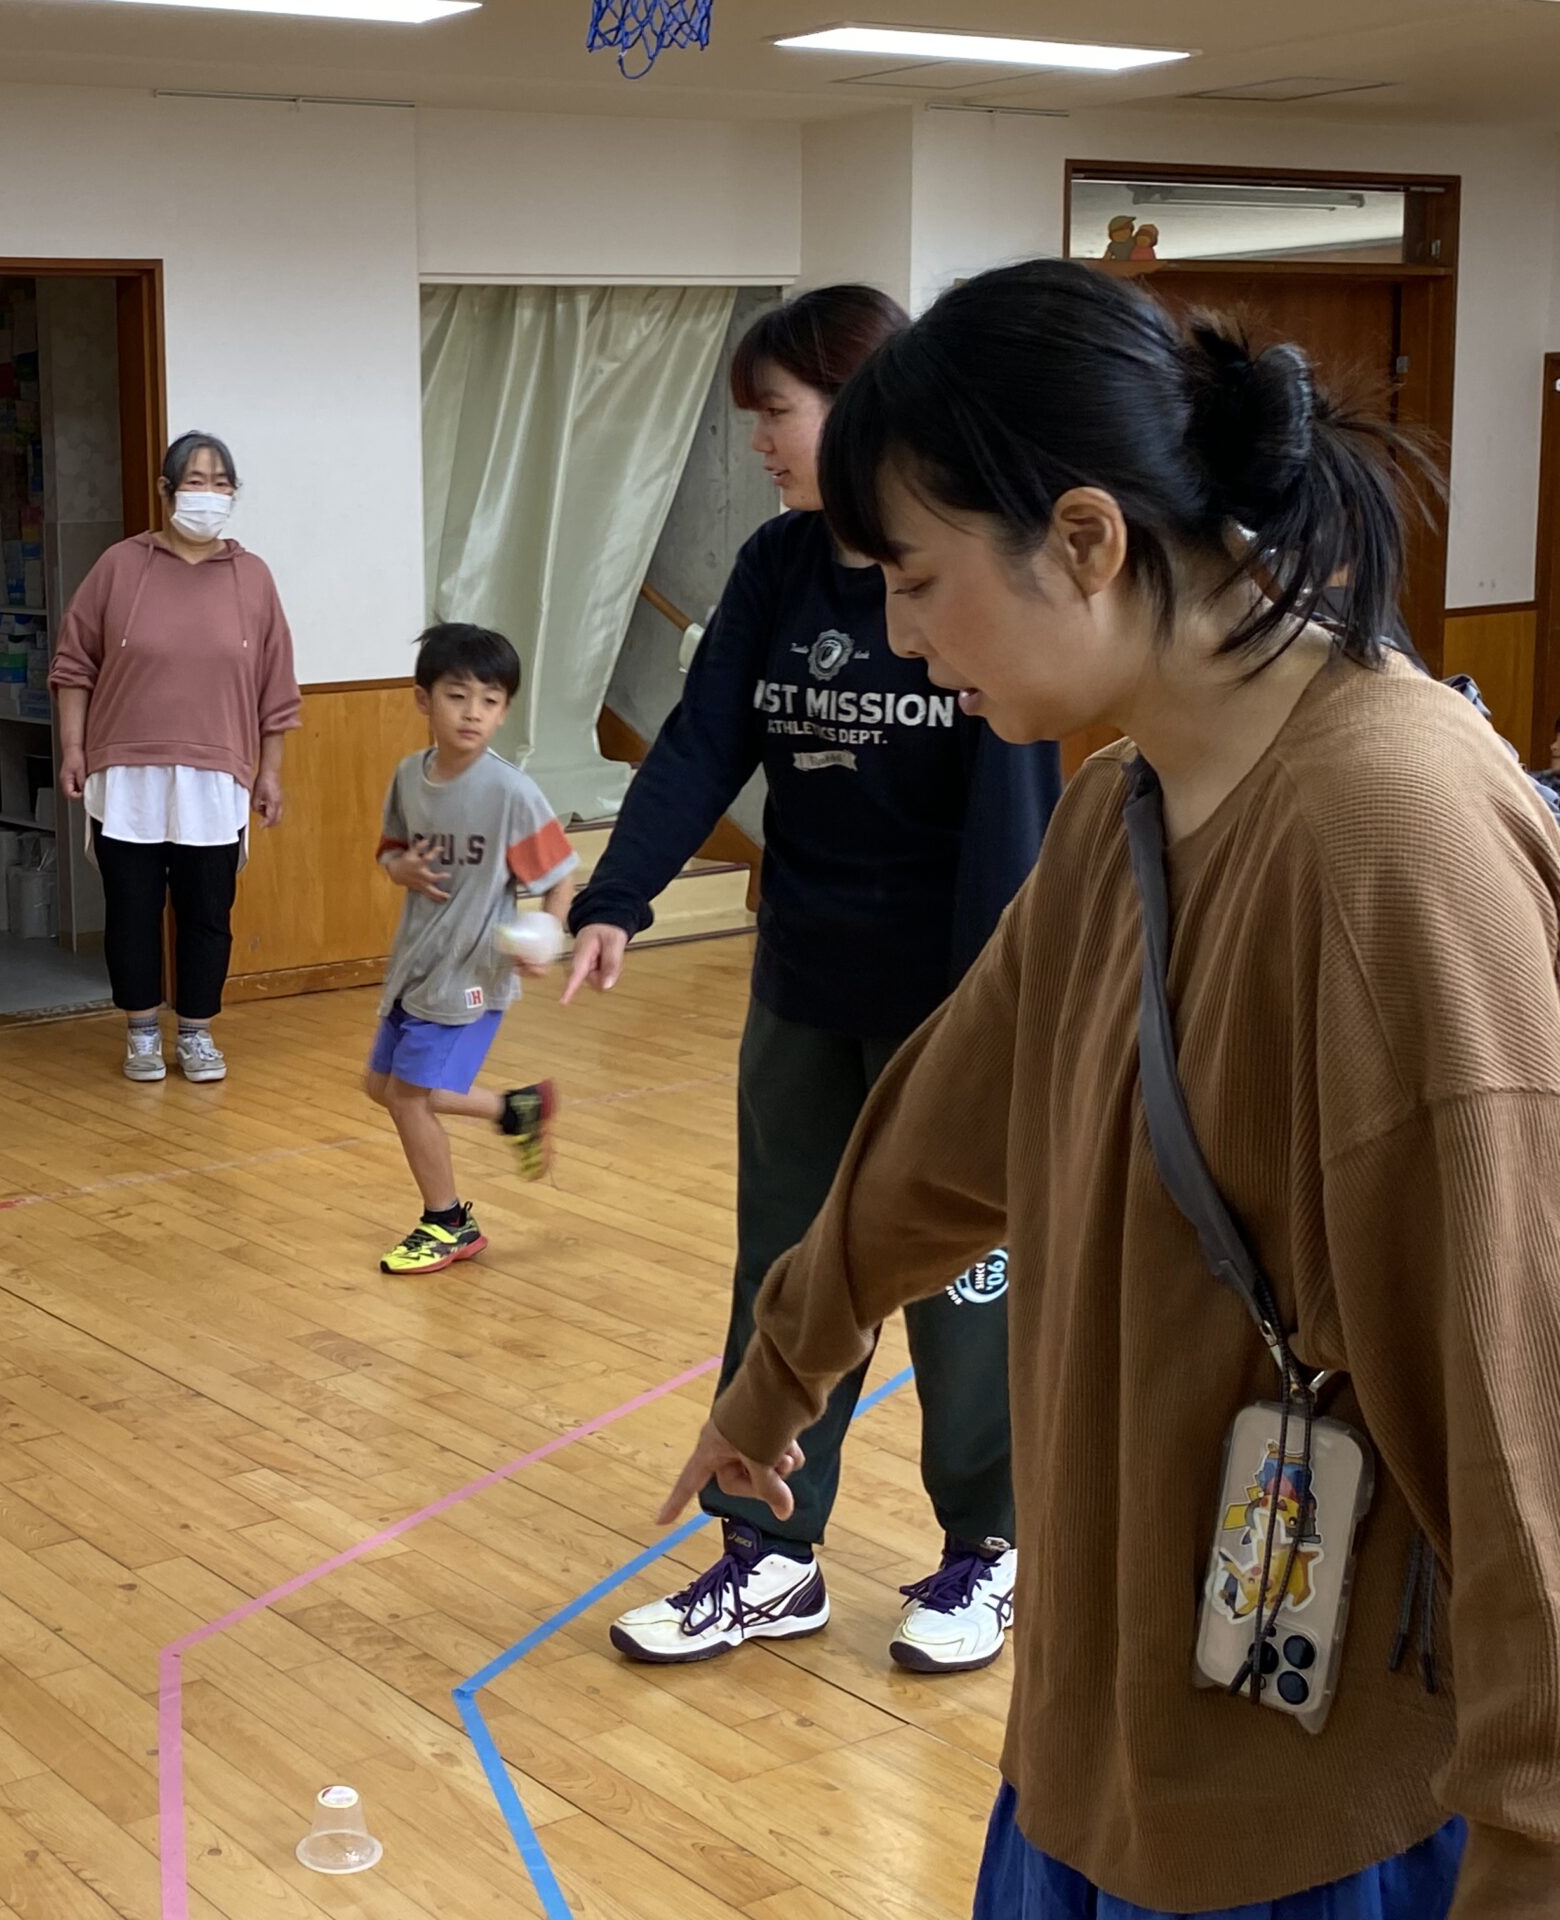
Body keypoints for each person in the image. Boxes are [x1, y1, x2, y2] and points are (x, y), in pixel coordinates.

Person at [656, 256, 1560, 1913]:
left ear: (1084, 538)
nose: (902, 635)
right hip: (1096, 1757)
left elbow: (1526, 1422)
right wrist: (779, 1371)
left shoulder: (1393, 836)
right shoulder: (1116, 810)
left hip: (1326, 1820)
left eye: (918, 578)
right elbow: (940, 1134)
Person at [566, 284, 1061, 1675]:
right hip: (803, 986)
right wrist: (618, 896)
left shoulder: (964, 573)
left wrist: (989, 1023)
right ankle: (769, 1553)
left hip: (949, 1003)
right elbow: (701, 737)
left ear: (861, 406)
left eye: (775, 413)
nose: (760, 443)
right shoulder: (779, 566)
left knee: (963, 1291)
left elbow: (1012, 815)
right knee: (783, 1274)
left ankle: (989, 1548)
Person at [52, 430, 302, 1085]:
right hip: (125, 772)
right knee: (132, 909)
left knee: (207, 911)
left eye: (221, 483)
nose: (208, 494)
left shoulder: (253, 577)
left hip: (217, 777)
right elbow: (74, 666)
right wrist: (74, 748)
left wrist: (271, 772)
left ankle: (196, 1031)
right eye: (195, 481)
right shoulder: (119, 566)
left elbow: (276, 687)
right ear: (165, 491)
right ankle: (140, 1031)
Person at [368, 623, 575, 1274]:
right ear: (423, 700)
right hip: (416, 962)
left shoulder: (511, 792)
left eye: (490, 700)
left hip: (469, 972)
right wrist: (399, 869)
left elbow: (560, 878)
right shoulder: (410, 777)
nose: (473, 712)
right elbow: (391, 851)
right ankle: (516, 1110)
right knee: (382, 1086)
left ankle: (447, 1222)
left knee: (409, 1097)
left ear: (505, 711)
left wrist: (547, 933)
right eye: (458, 696)